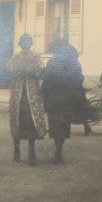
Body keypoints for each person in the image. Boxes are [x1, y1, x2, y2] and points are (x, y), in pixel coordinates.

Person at [42, 40, 93, 163]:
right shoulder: (73, 61)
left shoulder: (52, 61)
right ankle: (59, 149)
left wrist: (45, 95)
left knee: (55, 123)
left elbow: (46, 79)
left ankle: (57, 149)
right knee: (64, 123)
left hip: (54, 97)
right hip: (67, 97)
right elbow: (79, 79)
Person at [7, 33, 48, 166]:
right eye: (24, 42)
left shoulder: (34, 56)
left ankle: (30, 150)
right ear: (21, 44)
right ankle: (17, 149)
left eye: (27, 42)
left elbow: (41, 72)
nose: (26, 45)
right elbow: (9, 70)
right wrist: (22, 73)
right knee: (18, 119)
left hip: (30, 92)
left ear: (30, 44)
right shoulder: (17, 57)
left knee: (29, 120)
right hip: (20, 93)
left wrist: (28, 73)